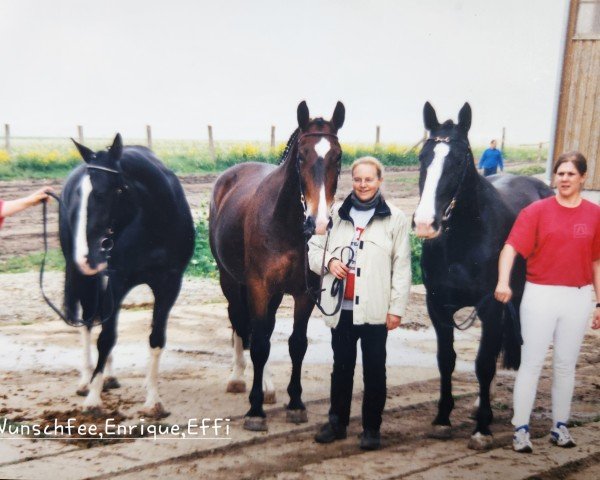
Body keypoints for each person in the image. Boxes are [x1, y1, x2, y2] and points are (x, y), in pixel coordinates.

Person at [494, 151, 600, 453]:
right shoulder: (536, 212)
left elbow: (596, 262)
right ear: (554, 177)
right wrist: (503, 281)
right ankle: (521, 428)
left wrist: (598, 303)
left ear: (582, 178)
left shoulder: (594, 214)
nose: (564, 179)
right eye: (560, 173)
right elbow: (510, 249)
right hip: (540, 294)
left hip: (577, 297)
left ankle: (560, 426)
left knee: (566, 366)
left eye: (570, 174)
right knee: (531, 364)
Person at [308, 156, 411, 450]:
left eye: (368, 179)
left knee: (375, 370)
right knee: (341, 367)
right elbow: (313, 250)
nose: (362, 185)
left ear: (379, 181)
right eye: (357, 179)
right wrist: (330, 261)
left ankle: (371, 428)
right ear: (351, 181)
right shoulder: (335, 214)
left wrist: (396, 309)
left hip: (376, 312)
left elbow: (402, 267)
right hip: (341, 308)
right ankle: (337, 423)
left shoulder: (395, 218)